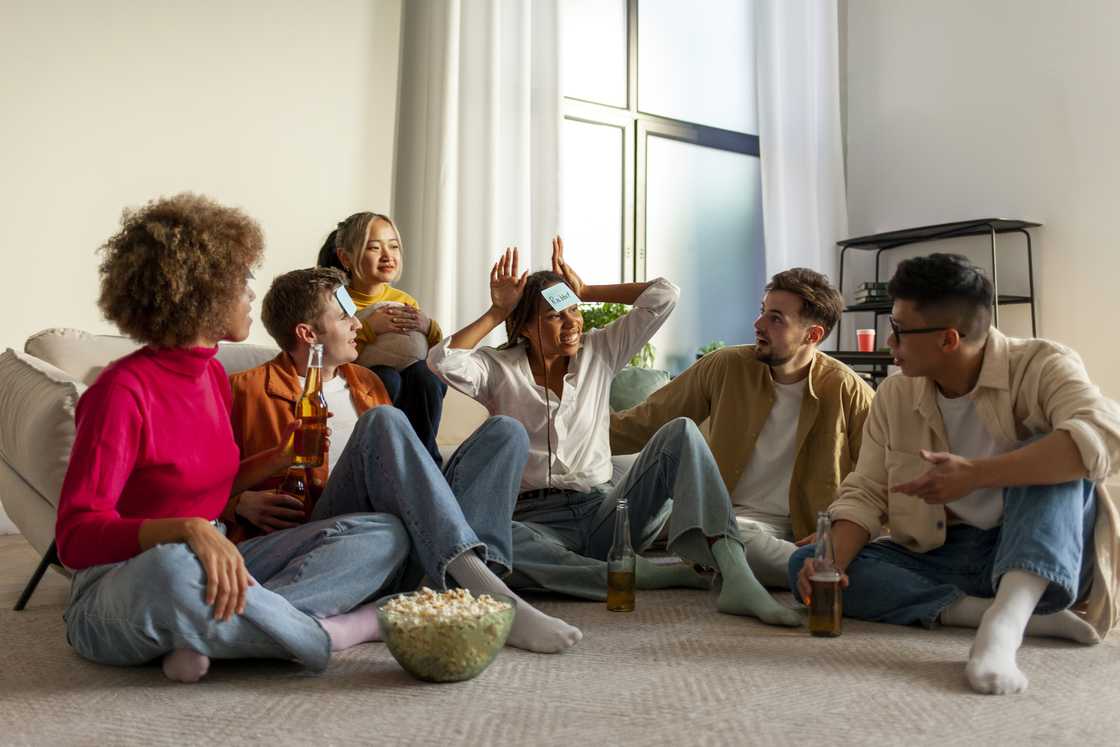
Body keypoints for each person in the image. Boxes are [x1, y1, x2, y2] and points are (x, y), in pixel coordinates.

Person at [56, 194, 411, 684]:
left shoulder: (212, 380)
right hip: (127, 579)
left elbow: (209, 491)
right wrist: (187, 529)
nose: (250, 293)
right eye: (241, 280)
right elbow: (74, 539)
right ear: (197, 291)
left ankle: (208, 635)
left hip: (221, 558)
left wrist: (279, 457)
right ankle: (328, 634)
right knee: (175, 571)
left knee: (381, 534)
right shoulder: (120, 392)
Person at [789, 253, 1120, 695]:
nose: (889, 342)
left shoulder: (1041, 364)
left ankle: (1003, 628)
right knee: (803, 565)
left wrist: (980, 474)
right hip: (947, 554)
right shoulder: (894, 393)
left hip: (1041, 548)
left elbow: (1104, 435)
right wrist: (831, 563)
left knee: (1055, 452)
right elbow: (866, 491)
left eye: (900, 331)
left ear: (948, 339)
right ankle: (979, 611)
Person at [428, 238, 802, 627]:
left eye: (575, 310)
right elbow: (441, 361)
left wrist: (588, 290)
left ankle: (737, 576)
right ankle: (640, 574)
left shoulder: (600, 351)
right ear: (524, 325)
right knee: (492, 547)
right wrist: (497, 310)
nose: (572, 321)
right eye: (556, 314)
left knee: (682, 433)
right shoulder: (497, 368)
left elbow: (664, 295)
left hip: (607, 513)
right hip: (535, 521)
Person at [226, 267, 581, 653]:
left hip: (396, 524)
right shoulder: (245, 391)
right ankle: (488, 596)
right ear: (307, 334)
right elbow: (201, 481)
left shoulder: (366, 382)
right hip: (327, 532)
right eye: (344, 316)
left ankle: (470, 586)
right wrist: (235, 503)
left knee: (505, 432)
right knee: (385, 420)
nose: (356, 325)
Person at [611, 268, 873, 586]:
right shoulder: (724, 366)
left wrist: (841, 533)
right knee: (726, 539)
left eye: (776, 318)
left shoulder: (849, 390)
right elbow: (643, 424)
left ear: (812, 335)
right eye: (762, 311)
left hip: (811, 529)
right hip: (734, 523)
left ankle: (810, 564)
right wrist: (566, 431)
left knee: (857, 550)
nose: (758, 324)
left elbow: (878, 477)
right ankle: (815, 570)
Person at [317, 212, 447, 465]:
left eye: (394, 246)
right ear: (345, 257)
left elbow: (429, 351)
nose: (388, 256)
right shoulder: (336, 299)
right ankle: (382, 456)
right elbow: (327, 351)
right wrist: (368, 328)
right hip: (358, 375)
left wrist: (428, 326)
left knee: (426, 376)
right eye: (374, 248)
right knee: (385, 377)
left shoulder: (404, 299)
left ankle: (425, 460)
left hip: (409, 378)